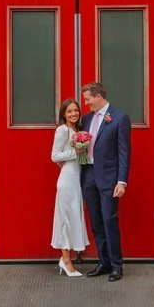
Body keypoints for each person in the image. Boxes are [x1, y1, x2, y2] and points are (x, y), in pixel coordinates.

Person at [80, 82, 131, 283]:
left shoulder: (119, 119)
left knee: (109, 219)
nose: (86, 103)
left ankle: (117, 265)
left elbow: (124, 152)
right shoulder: (87, 118)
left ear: (99, 96)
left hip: (109, 178)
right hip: (89, 175)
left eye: (88, 99)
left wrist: (122, 181)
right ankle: (104, 262)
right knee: (96, 221)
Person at [51, 98, 89, 277]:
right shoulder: (63, 130)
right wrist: (77, 151)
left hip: (76, 179)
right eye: (69, 111)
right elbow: (55, 156)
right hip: (67, 180)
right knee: (66, 218)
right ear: (63, 114)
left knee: (73, 217)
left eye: (76, 111)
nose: (74, 114)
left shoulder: (77, 130)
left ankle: (67, 258)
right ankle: (66, 261)